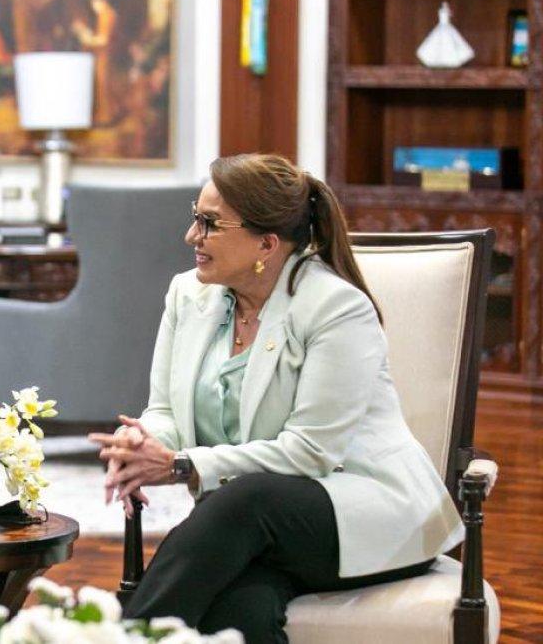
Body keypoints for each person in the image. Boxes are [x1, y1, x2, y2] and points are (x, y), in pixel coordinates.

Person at [89, 153, 463, 643]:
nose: (191, 237)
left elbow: (311, 452)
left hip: (367, 514)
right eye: (194, 217)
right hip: (260, 530)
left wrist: (181, 465)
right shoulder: (189, 295)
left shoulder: (335, 308)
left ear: (266, 243)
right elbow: (165, 409)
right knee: (240, 610)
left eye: (209, 224)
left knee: (243, 500)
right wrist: (139, 444)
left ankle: (120, 639)